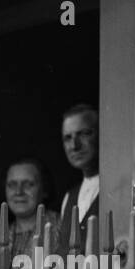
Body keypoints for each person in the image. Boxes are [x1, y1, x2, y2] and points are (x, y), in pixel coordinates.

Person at [58, 103, 99, 242]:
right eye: (68, 138)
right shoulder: (69, 197)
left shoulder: (118, 190)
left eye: (84, 134)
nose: (75, 146)